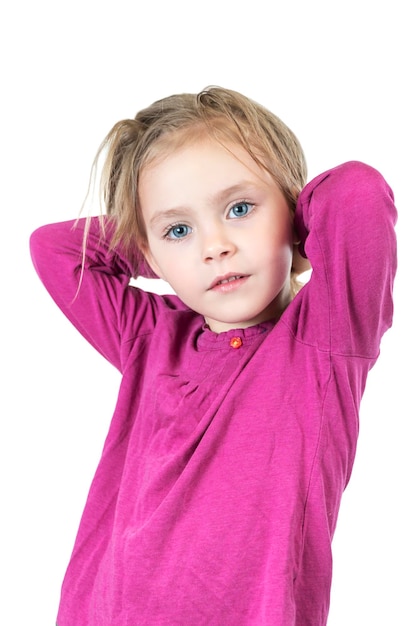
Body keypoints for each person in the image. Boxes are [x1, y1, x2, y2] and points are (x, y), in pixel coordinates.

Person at [30, 86, 397, 625]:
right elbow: (54, 249)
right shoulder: (149, 338)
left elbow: (358, 194)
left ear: (292, 212)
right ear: (150, 253)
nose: (215, 245)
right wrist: (158, 245)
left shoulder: (324, 342)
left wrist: (287, 229)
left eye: (241, 208)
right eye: (180, 229)